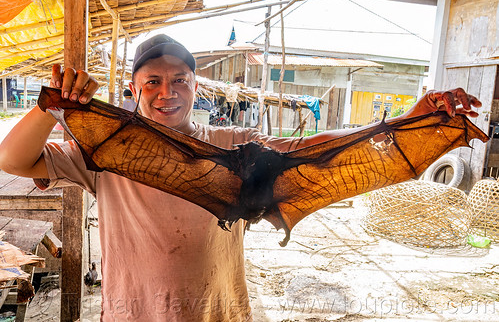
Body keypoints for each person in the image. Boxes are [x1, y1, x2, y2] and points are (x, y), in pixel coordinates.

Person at [0, 34, 482, 321]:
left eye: (179, 81)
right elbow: (13, 160)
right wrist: (50, 106)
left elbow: (313, 148)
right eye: (152, 82)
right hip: (135, 311)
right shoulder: (105, 152)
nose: (167, 92)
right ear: (133, 88)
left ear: (195, 86)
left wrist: (405, 124)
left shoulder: (233, 146)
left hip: (218, 307)